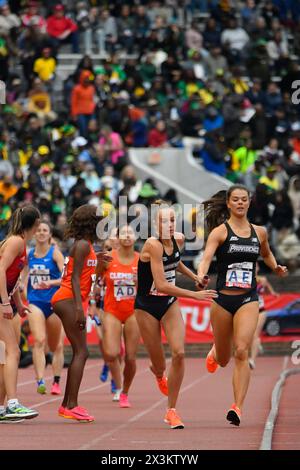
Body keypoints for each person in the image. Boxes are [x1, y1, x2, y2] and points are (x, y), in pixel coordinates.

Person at [197, 185, 288, 426]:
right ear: (228, 203)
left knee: (241, 350)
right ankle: (216, 351)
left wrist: (276, 267)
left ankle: (237, 406)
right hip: (222, 299)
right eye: (235, 199)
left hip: (248, 298)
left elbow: (266, 255)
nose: (240, 203)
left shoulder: (259, 232)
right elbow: (206, 258)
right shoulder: (220, 232)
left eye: (244, 200)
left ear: (249, 203)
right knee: (225, 358)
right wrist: (201, 275)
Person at [134, 200, 217, 429]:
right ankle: (159, 374)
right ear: (154, 224)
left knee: (179, 353)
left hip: (169, 304)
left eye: (171, 220)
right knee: (160, 364)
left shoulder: (178, 239)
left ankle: (171, 410)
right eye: (163, 221)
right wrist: (195, 294)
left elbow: (176, 262)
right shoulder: (153, 245)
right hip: (146, 306)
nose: (169, 225)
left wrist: (195, 278)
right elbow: (160, 284)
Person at [51, 204, 104, 422]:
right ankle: (70, 405)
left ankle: (67, 405)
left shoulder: (87, 245)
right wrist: (79, 309)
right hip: (67, 300)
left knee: (81, 352)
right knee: (81, 352)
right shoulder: (82, 245)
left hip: (68, 299)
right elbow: (73, 279)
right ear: (92, 222)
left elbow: (83, 275)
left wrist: (98, 262)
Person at [0, 206, 41, 422]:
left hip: (5, 298)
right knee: (13, 351)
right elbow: (0, 269)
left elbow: (12, 279)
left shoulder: (20, 242)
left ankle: (1, 408)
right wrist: (6, 303)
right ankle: (13, 404)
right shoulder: (16, 241)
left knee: (4, 355)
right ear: (35, 223)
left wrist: (19, 303)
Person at [99, 225, 140, 407]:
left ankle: (124, 392)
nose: (126, 236)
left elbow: (153, 286)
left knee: (130, 357)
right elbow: (94, 278)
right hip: (112, 310)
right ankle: (117, 384)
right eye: (122, 233)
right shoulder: (109, 259)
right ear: (118, 238)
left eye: (130, 233)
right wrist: (92, 301)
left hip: (133, 311)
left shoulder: (142, 260)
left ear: (135, 237)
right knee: (111, 352)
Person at [22, 221, 65, 395]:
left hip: (54, 303)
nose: (40, 233)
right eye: (38, 230)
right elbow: (23, 278)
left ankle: (56, 381)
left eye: (44, 230)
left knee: (56, 346)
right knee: (39, 341)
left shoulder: (55, 254)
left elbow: (65, 278)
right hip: (35, 303)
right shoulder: (29, 255)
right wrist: (25, 294)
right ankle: (40, 380)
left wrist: (50, 283)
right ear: (34, 234)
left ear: (49, 235)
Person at [249, 264, 278, 370]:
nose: (254, 268)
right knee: (249, 335)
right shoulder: (246, 279)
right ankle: (257, 345)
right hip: (249, 311)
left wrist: (273, 292)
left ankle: (252, 360)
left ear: (258, 268)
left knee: (255, 335)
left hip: (260, 310)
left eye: (255, 266)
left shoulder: (262, 279)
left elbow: (268, 286)